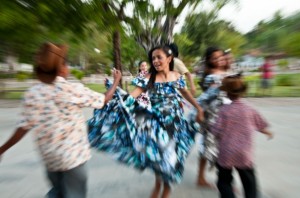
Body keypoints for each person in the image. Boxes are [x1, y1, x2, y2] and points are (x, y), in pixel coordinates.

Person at [0, 42, 122, 198]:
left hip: (50, 159)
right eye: (67, 64)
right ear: (62, 68)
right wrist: (116, 81)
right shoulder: (71, 89)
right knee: (73, 194)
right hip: (73, 159)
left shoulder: (33, 93)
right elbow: (104, 100)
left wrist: (2, 149)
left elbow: (23, 127)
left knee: (57, 192)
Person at [88, 45, 204, 198]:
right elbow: (131, 97)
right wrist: (116, 95)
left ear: (169, 59)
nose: (155, 61)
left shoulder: (176, 76)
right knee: (158, 157)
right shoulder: (148, 78)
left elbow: (185, 93)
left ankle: (166, 192)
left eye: (159, 57)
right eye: (153, 58)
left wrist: (198, 108)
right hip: (157, 125)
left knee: (173, 158)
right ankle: (158, 185)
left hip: (176, 125)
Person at [210, 73, 273, 198]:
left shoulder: (224, 110)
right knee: (249, 181)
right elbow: (261, 125)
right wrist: (268, 132)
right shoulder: (250, 109)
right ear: (243, 91)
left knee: (224, 181)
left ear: (227, 93)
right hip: (244, 153)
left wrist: (212, 131)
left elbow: (215, 130)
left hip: (226, 152)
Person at [195, 46, 229, 188]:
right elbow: (206, 98)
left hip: (227, 114)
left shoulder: (226, 71)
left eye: (220, 57)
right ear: (209, 60)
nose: (219, 60)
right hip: (213, 115)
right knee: (207, 146)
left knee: (225, 147)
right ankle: (200, 177)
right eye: (215, 58)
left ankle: (225, 180)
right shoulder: (210, 75)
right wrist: (199, 112)